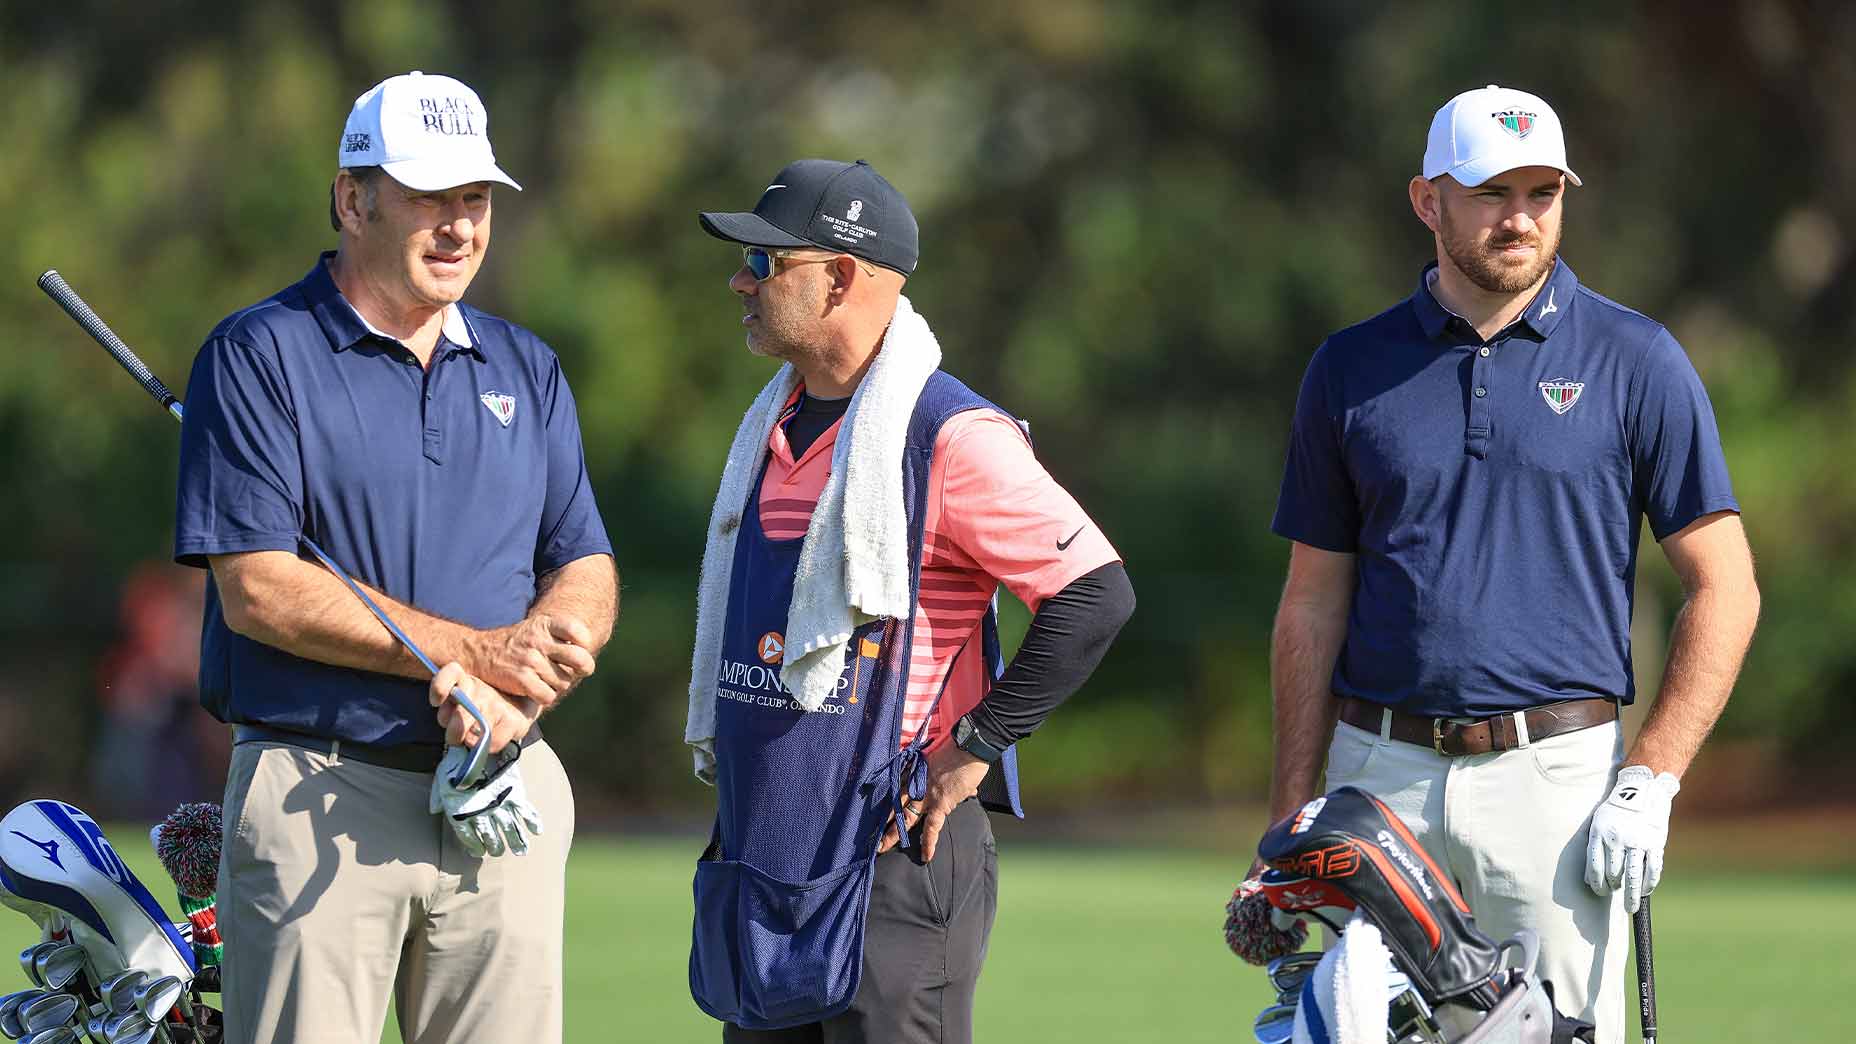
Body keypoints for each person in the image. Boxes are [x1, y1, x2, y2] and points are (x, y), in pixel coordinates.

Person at [1251, 85, 1759, 1042]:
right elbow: (1312, 605)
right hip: (1381, 779)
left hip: (1558, 785)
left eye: (1542, 191)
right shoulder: (1349, 369)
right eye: (1490, 193)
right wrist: (1289, 820)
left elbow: (1725, 585)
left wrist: (1653, 778)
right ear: (1426, 199)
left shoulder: (1636, 359)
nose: (1520, 217)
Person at [173, 71, 616, 1043]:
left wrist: (525, 684)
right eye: (429, 198)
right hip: (323, 787)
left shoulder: (524, 366)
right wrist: (476, 654)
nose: (458, 226)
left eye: (475, 200)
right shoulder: (259, 354)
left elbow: (581, 559)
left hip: (502, 786)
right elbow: (260, 592)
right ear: (352, 198)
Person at [683, 159, 1135, 1044]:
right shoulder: (769, 425)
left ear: (842, 276)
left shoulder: (952, 436)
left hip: (895, 855)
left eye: (767, 263)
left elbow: (1096, 594)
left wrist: (975, 749)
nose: (740, 280)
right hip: (768, 848)